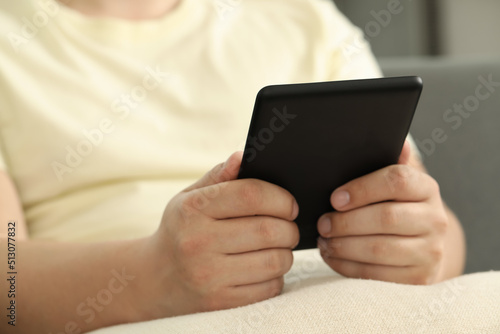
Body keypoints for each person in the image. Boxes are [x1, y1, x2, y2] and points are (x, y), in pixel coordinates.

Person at [0, 0, 465, 332]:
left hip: (371, 308)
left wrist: (423, 247)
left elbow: (438, 230)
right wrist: (155, 274)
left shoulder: (303, 17)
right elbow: (8, 276)